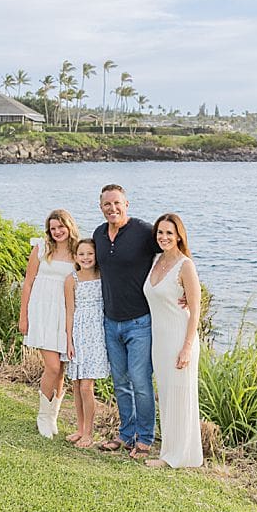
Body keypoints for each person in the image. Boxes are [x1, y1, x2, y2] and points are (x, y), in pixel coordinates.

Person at [92, 184, 160, 459]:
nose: (112, 208)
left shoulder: (143, 231)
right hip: (110, 322)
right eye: (107, 204)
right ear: (101, 207)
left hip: (139, 322)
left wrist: (182, 288)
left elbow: (173, 252)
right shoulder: (98, 234)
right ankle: (125, 434)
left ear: (126, 204)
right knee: (120, 382)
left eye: (117, 203)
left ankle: (145, 438)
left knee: (141, 382)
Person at [143, 212, 205, 468]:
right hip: (160, 341)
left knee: (181, 395)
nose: (164, 237)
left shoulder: (185, 265)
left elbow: (196, 309)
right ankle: (173, 452)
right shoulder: (155, 260)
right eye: (160, 232)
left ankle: (175, 457)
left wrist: (187, 347)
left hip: (180, 338)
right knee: (168, 396)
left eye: (169, 232)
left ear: (179, 236)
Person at [19, 208, 80, 438]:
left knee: (61, 368)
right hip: (42, 311)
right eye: (53, 228)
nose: (57, 231)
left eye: (61, 227)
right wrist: (23, 316)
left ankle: (53, 416)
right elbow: (28, 283)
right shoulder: (41, 248)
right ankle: (43, 416)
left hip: (65, 313)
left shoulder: (78, 251)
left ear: (69, 226)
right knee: (52, 366)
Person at [63, 238, 108, 448]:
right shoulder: (71, 279)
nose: (86, 258)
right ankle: (80, 429)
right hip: (78, 334)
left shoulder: (103, 276)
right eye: (81, 254)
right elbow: (69, 311)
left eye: (90, 253)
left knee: (86, 386)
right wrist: (69, 341)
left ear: (96, 255)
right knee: (76, 384)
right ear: (75, 257)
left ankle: (89, 433)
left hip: (96, 334)